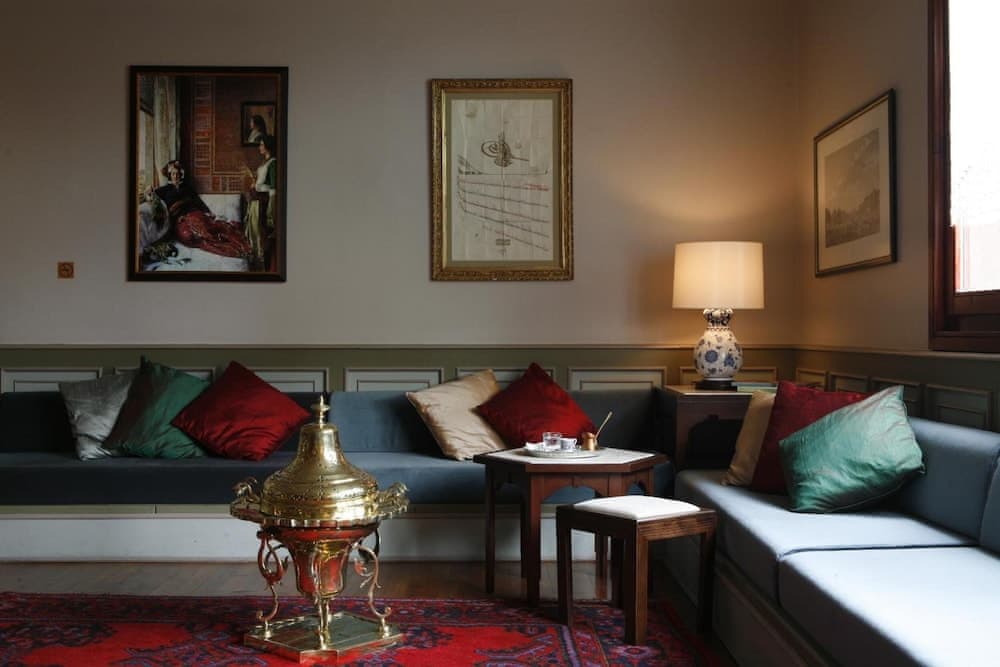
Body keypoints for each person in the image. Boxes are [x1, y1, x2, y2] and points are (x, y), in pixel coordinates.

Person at [144, 160, 250, 261]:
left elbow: (198, 202)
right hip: (179, 220)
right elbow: (149, 195)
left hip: (193, 214)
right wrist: (148, 190)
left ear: (180, 174)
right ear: (170, 175)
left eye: (177, 174)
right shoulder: (164, 190)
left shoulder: (187, 188)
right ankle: (216, 241)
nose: (175, 176)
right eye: (173, 174)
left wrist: (208, 212)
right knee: (187, 236)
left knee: (205, 229)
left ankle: (234, 247)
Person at [244, 135, 277, 270]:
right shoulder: (264, 162)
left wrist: (271, 209)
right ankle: (255, 265)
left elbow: (273, 188)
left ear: (268, 146)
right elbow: (261, 182)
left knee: (260, 234)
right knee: (253, 232)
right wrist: (254, 184)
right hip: (255, 201)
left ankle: (262, 267)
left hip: (263, 203)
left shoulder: (273, 163)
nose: (259, 147)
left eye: (262, 144)